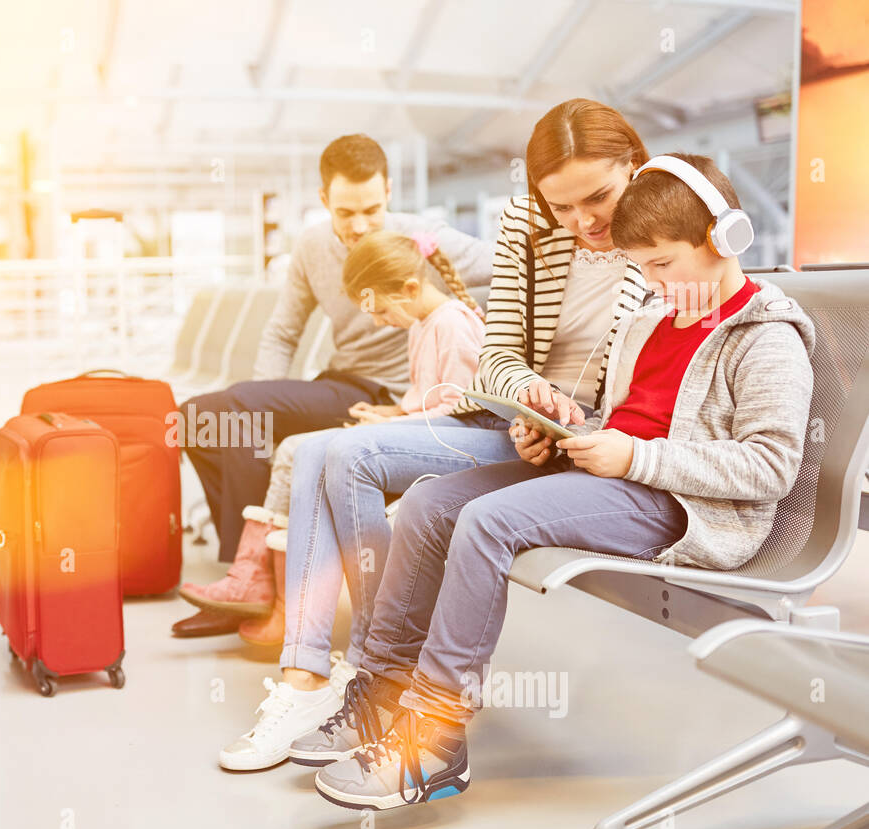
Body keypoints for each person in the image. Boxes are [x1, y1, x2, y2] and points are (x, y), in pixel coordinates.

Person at [309, 153, 815, 810]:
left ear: (724, 238)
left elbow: (770, 467)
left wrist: (633, 458)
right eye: (642, 267)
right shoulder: (651, 322)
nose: (654, 283)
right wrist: (560, 436)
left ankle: (433, 742)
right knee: (429, 502)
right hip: (614, 476)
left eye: (663, 264)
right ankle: (382, 694)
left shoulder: (765, 336)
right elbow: (626, 418)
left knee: (488, 521)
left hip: (682, 504)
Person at [217, 98, 653, 770]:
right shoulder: (527, 226)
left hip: (586, 439)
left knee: (347, 455)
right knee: (314, 451)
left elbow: (658, 382)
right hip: (516, 422)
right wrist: (527, 396)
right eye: (561, 205)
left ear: (635, 165)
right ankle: (306, 678)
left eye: (597, 198)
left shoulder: (662, 236)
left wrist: (574, 422)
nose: (582, 222)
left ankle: (371, 668)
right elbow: (499, 355)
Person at [173, 134, 494, 638]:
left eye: (372, 209)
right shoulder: (312, 246)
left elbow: (503, 263)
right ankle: (251, 574)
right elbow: (283, 331)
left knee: (240, 413)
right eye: (346, 212)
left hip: (392, 397)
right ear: (324, 200)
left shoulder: (419, 239)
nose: (360, 225)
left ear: (389, 192)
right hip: (341, 381)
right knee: (199, 417)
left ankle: (253, 582)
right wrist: (260, 403)